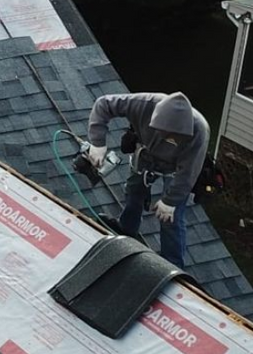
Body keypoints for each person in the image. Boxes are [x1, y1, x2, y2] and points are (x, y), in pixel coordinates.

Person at [86, 92, 209, 267]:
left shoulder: (198, 130)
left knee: (170, 217)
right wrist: (98, 142)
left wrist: (170, 201)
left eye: (172, 137)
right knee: (134, 192)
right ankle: (127, 229)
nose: (168, 139)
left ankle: (172, 264)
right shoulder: (142, 104)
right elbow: (103, 103)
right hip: (146, 154)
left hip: (176, 169)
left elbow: (189, 172)